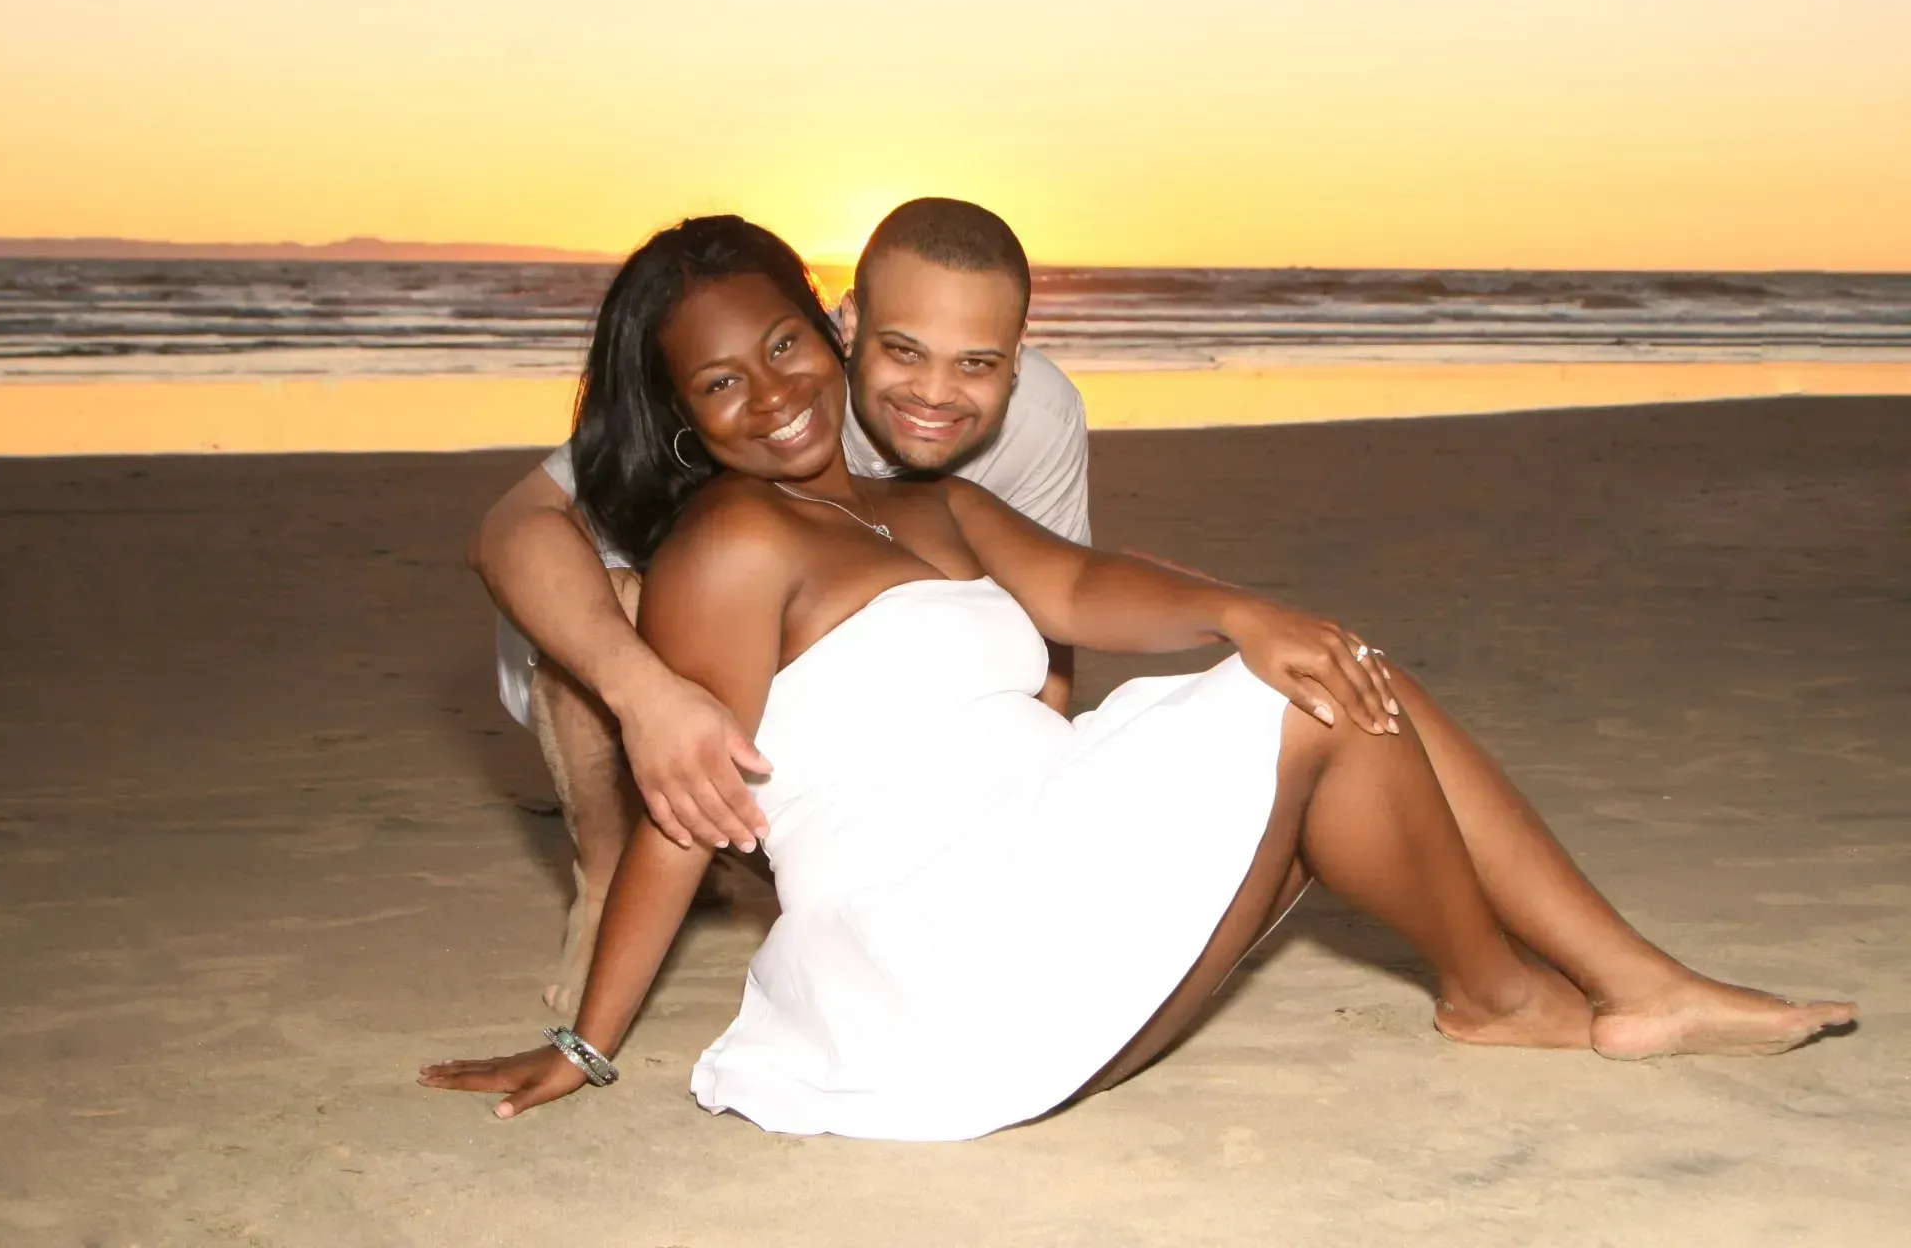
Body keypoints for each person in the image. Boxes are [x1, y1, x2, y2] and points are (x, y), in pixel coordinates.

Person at [420, 217, 1856, 1142]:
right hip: (942, 953)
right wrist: (584, 1045)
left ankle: (1586, 986)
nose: (774, 392)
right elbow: (686, 817)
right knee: (1310, 697)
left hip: (1039, 871)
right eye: (720, 381)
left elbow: (1083, 587)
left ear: (829, 328)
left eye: (785, 345)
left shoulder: (933, 500)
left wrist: (1245, 609)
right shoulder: (727, 545)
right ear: (683, 412)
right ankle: (1514, 992)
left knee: (1325, 662)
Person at [472, 199, 1094, 1012]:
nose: (934, 395)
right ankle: (604, 879)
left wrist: (1025, 803)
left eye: (972, 363)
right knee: (614, 603)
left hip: (842, 651)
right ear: (850, 327)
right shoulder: (739, 381)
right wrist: (647, 695)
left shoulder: (1037, 413)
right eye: (904, 352)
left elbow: (1050, 615)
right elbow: (509, 529)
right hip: (640, 644)